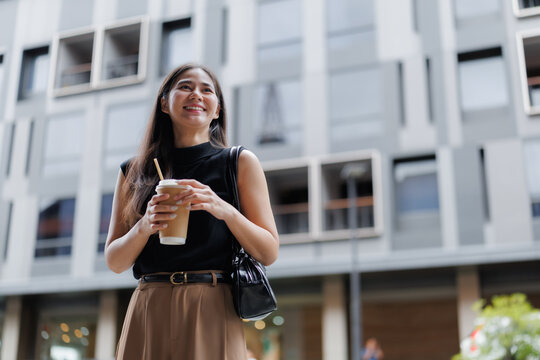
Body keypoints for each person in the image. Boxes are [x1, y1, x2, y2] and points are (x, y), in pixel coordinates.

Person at [105, 63, 280, 359]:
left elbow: (268, 252)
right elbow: (115, 261)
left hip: (212, 303)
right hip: (150, 305)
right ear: (164, 102)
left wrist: (223, 209)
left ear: (217, 110)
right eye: (185, 87)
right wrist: (145, 225)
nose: (196, 94)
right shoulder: (134, 171)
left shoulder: (238, 163)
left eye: (206, 90)